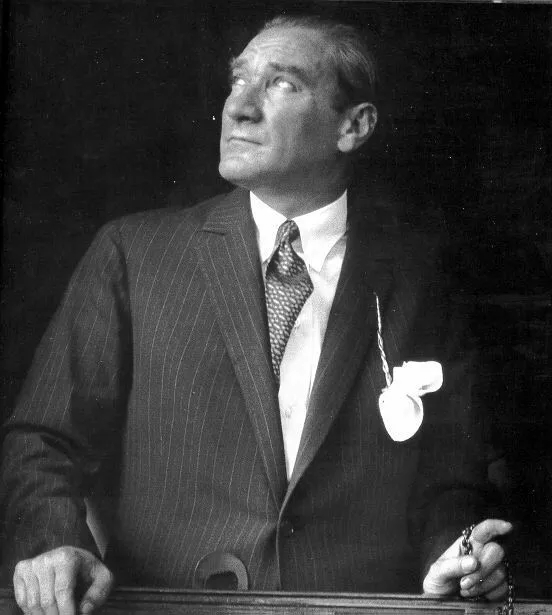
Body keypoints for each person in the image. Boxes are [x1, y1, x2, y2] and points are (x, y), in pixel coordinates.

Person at [0, 14, 512, 615]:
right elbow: (44, 440)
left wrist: (454, 556)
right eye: (238, 80)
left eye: (282, 84)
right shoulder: (134, 254)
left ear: (353, 126)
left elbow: (451, 475)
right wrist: (55, 543)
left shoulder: (421, 278)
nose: (238, 108)